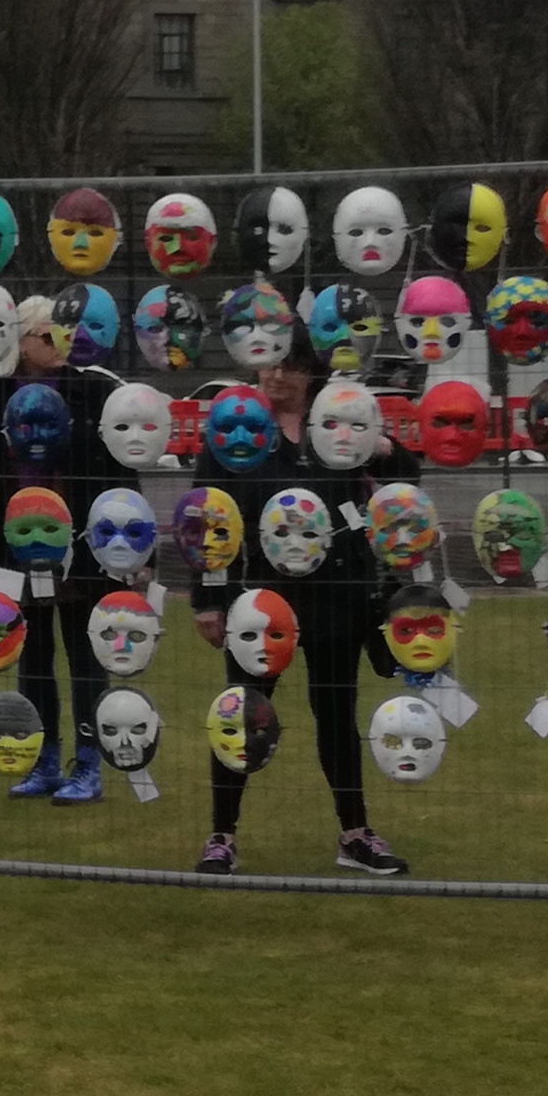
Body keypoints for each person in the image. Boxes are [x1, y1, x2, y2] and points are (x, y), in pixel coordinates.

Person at [192, 331, 407, 876]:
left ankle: (355, 834)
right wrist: (207, 600)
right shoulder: (234, 424)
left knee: (336, 716)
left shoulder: (340, 418)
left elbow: (406, 485)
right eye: (267, 362)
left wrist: (386, 449)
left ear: (312, 370)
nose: (276, 374)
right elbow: (206, 517)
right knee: (241, 715)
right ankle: (221, 836)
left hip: (339, 596)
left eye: (289, 364)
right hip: (259, 601)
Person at [0, 294, 133, 804]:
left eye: (65, 332)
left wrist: (128, 550)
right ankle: (45, 758)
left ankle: (88, 764)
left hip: (79, 545)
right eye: (48, 334)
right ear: (22, 339)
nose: (61, 342)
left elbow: (120, 469)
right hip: (11, 551)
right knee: (31, 656)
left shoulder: (94, 393)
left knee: (84, 657)